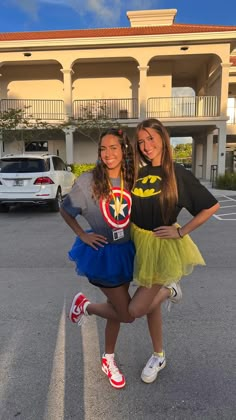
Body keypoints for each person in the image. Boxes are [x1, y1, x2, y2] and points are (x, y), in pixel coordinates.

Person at [128, 118, 220, 384]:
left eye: (151, 139)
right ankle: (158, 354)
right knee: (150, 307)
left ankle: (171, 289)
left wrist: (181, 231)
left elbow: (210, 207)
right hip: (139, 243)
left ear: (163, 139)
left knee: (135, 309)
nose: (146, 146)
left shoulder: (177, 174)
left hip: (161, 246)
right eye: (141, 141)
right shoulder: (138, 173)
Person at [60, 128, 136, 389]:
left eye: (113, 147)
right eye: (103, 149)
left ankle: (108, 359)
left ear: (124, 149)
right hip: (102, 255)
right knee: (126, 314)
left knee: (116, 310)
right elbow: (65, 209)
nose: (107, 154)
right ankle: (85, 307)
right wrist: (83, 235)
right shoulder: (88, 181)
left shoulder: (131, 177)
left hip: (127, 251)